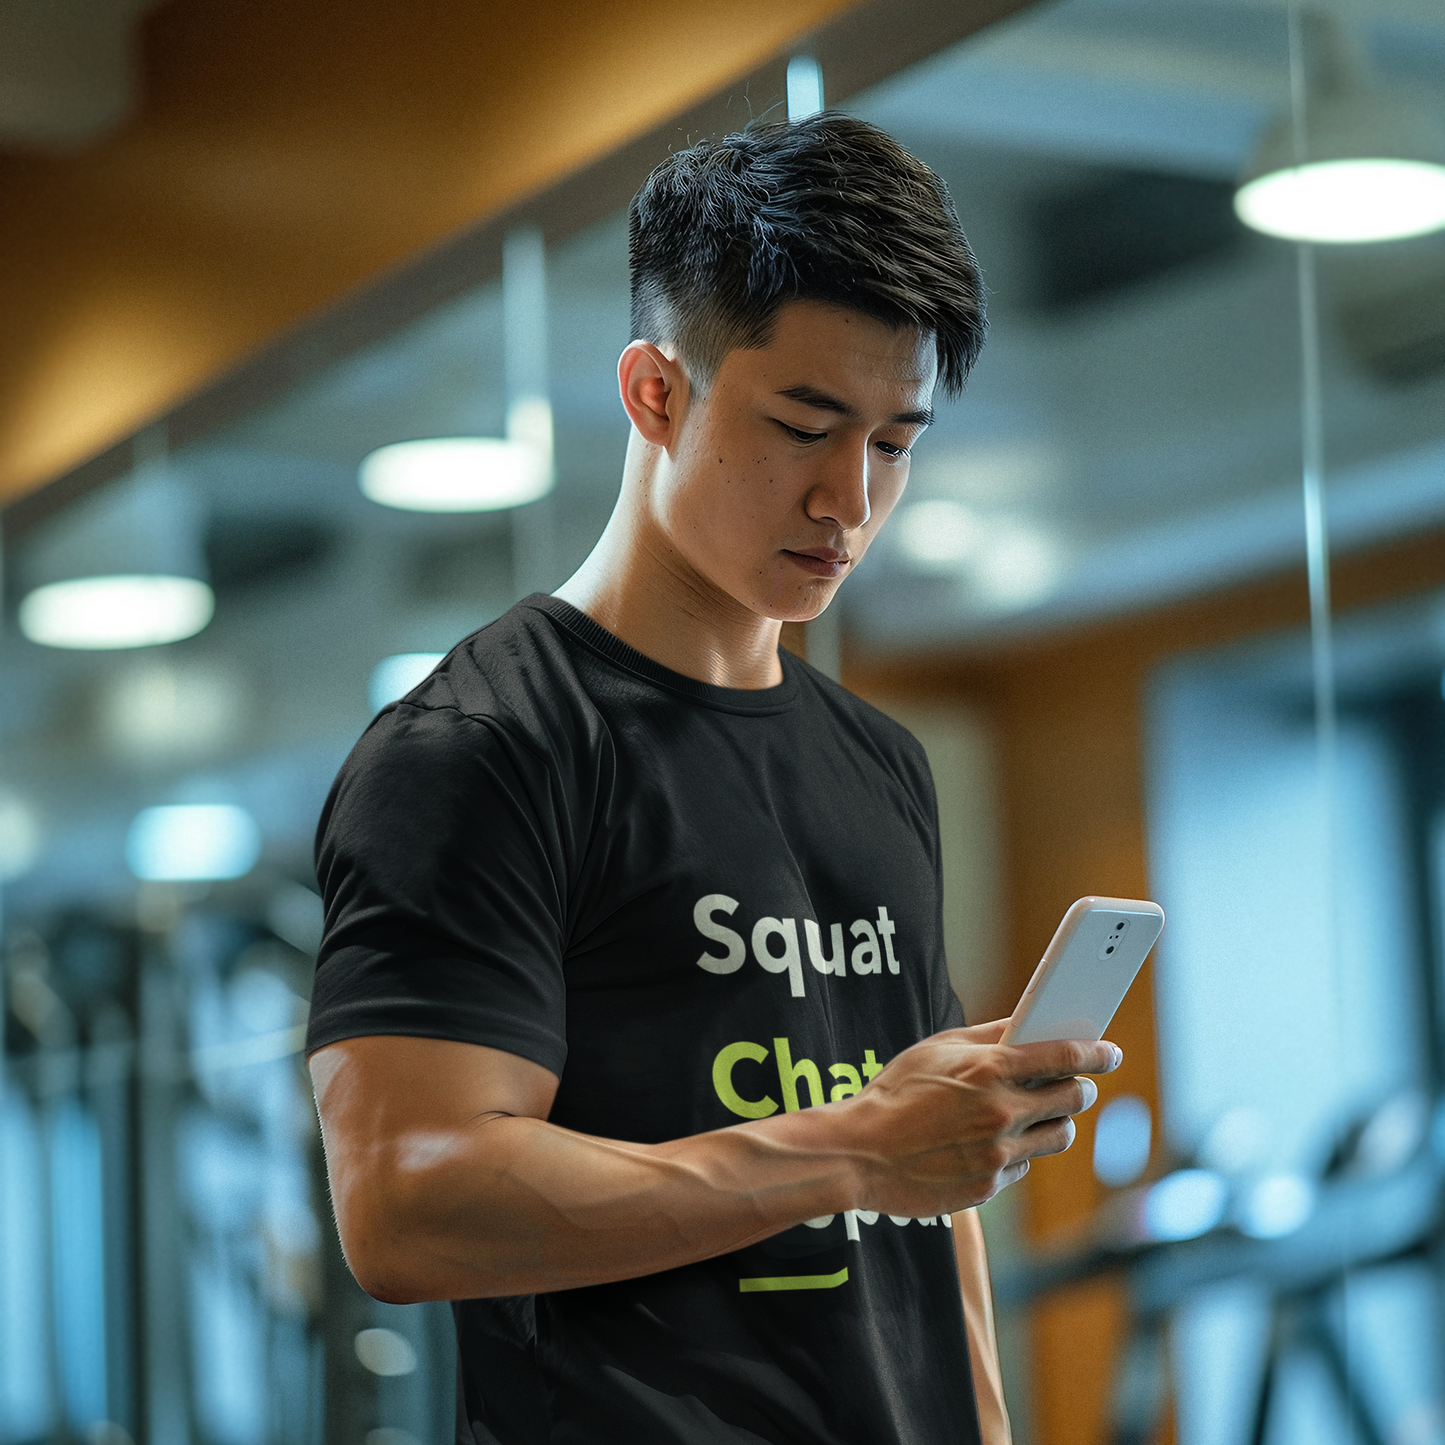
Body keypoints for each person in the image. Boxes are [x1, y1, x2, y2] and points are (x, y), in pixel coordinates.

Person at [305, 113, 1120, 1445]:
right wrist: (850, 1146)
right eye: (805, 425)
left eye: (895, 443)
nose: (848, 501)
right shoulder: (480, 747)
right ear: (655, 392)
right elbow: (407, 1201)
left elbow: (932, 1218)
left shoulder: (881, 762)